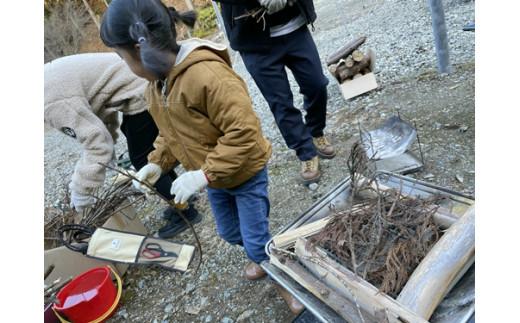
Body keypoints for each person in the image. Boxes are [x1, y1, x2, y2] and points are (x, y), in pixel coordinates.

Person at [100, 0, 303, 314]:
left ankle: (288, 282)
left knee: (255, 240)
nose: (124, 65)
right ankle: (264, 253)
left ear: (140, 51)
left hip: (244, 172)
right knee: (229, 232)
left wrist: (203, 174)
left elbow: (244, 134)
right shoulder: (156, 87)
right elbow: (171, 133)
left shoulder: (207, 75)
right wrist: (157, 163)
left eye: (121, 56)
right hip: (215, 178)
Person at [44, 53, 201, 238]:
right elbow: (101, 104)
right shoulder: (45, 83)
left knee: (143, 159)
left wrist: (81, 192)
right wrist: (106, 147)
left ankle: (185, 212)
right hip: (138, 82)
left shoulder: (51, 103)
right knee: (147, 150)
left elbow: (97, 144)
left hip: (142, 89)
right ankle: (180, 193)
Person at [214, 0, 335, 185]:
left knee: (316, 84)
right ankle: (305, 153)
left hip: (295, 28)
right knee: (281, 103)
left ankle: (315, 131)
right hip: (253, 41)